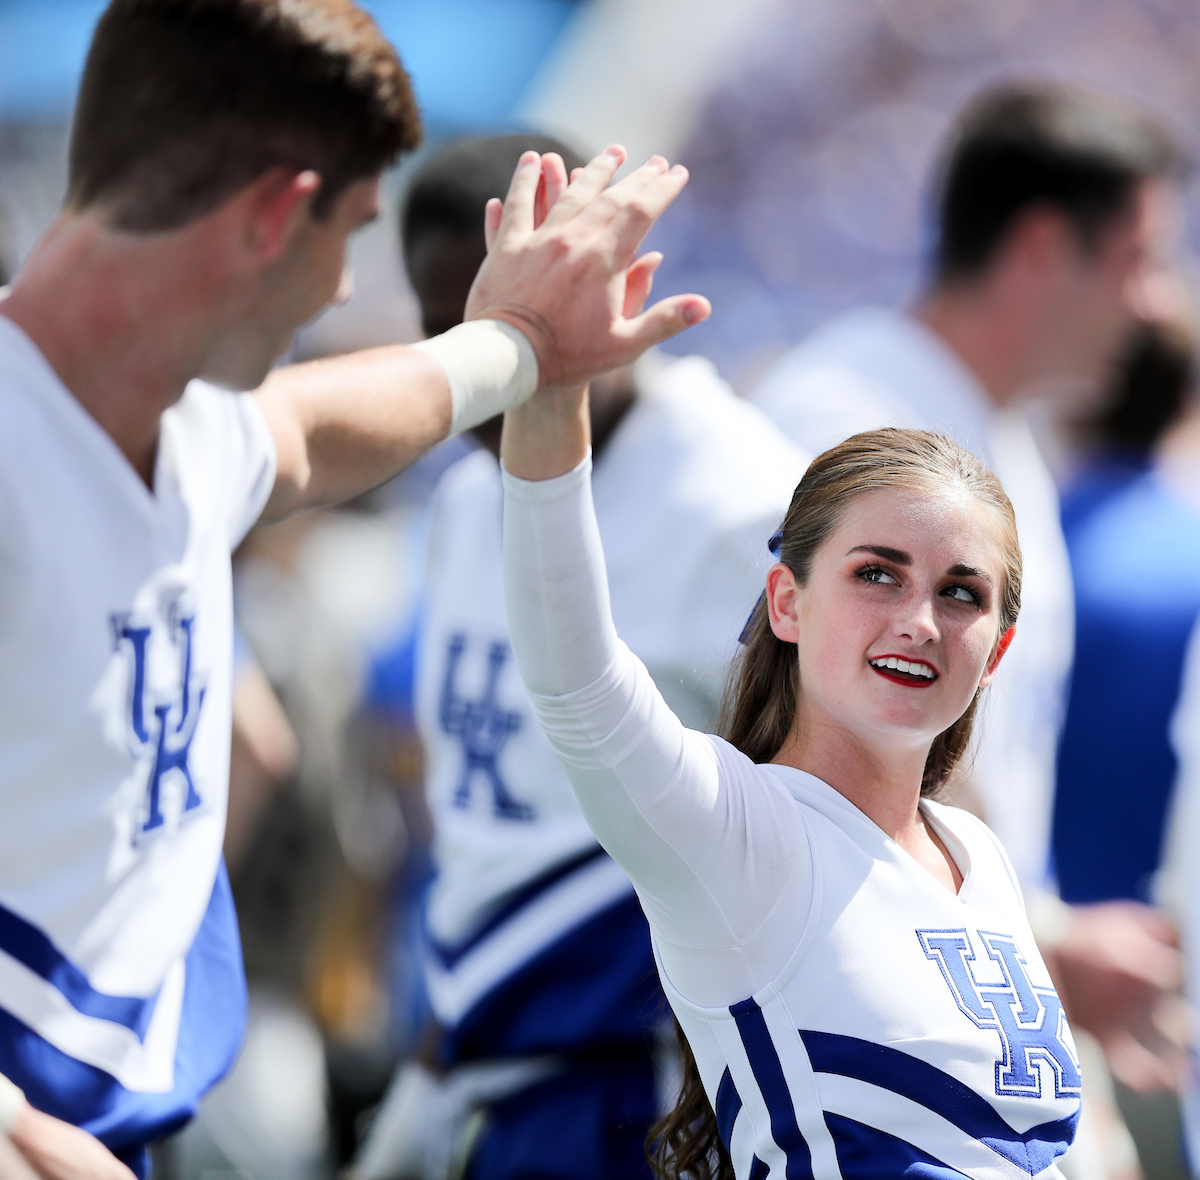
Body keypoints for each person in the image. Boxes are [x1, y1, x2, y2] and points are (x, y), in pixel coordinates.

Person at [0, 0, 709, 1173]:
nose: (340, 290)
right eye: (349, 233)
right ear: (276, 214)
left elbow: (329, 426)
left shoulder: (194, 432)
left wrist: (524, 342)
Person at [351, 135, 806, 1180]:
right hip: (485, 1063)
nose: (468, 344)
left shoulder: (745, 510)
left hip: (643, 1088)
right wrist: (432, 1064)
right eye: (446, 317)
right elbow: (489, 827)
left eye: (504, 308)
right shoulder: (468, 497)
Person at [500, 382, 1079, 1176]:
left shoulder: (981, 857)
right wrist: (550, 394)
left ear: (997, 653)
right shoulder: (742, 834)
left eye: (960, 592)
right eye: (878, 574)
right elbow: (576, 685)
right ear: (787, 603)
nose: (919, 619)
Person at [749, 82, 1185, 1093]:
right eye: (1136, 260)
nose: (1155, 303)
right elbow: (796, 758)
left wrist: (1039, 946)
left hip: (948, 1013)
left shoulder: (1000, 437)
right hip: (848, 1059)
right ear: (1040, 247)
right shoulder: (837, 418)